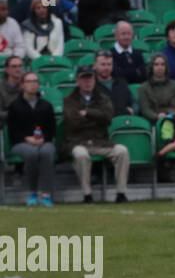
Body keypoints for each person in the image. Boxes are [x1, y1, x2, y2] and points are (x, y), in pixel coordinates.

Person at [63, 65, 130, 203]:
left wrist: (87, 113)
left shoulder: (103, 98)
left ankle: (121, 193)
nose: (88, 81)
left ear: (94, 80)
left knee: (122, 151)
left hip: (101, 142)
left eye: (90, 78)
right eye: (84, 78)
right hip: (78, 141)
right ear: (78, 81)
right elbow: (73, 121)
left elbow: (109, 117)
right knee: (81, 155)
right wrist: (97, 117)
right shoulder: (69, 99)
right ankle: (87, 195)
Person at [8, 71, 57, 206]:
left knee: (46, 152)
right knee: (32, 153)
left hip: (44, 141)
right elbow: (13, 131)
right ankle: (33, 192)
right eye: (29, 81)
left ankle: (46, 194)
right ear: (23, 85)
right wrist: (27, 139)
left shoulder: (46, 105)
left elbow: (52, 130)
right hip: (21, 143)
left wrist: (44, 138)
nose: (33, 84)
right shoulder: (14, 106)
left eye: (35, 81)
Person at [92, 49, 135, 117]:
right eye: (103, 64)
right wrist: (125, 111)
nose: (106, 68)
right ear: (94, 65)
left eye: (109, 64)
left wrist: (133, 110)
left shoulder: (121, 82)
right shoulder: (91, 85)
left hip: (122, 123)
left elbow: (133, 103)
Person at [139, 54, 175, 123]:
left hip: (173, 119)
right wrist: (157, 116)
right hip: (152, 121)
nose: (160, 67)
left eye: (162, 64)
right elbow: (145, 110)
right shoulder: (143, 88)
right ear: (151, 67)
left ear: (166, 67)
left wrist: (169, 115)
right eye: (156, 64)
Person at [0, 55, 25, 133]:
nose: (18, 69)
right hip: (6, 125)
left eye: (20, 66)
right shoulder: (1, 87)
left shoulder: (28, 84)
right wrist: (15, 113)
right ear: (7, 70)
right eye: (14, 66)